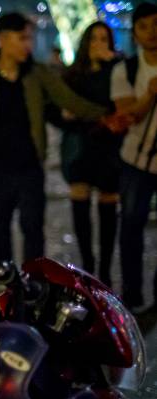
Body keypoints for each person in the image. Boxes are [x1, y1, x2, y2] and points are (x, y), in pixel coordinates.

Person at [0, 12, 112, 265]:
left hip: (31, 168)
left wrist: (107, 115)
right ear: (3, 39)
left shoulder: (37, 74)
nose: (29, 44)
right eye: (23, 38)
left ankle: (33, 287)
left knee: (33, 230)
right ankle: (6, 287)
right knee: (1, 228)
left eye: (30, 38)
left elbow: (69, 100)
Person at [49, 22, 123, 287]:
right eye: (94, 39)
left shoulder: (118, 71)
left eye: (105, 39)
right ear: (85, 43)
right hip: (80, 149)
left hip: (109, 151)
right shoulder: (73, 75)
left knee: (108, 211)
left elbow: (121, 106)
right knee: (80, 208)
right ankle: (88, 268)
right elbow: (55, 111)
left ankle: (104, 271)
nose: (99, 44)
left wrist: (113, 65)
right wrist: (77, 122)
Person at [110, 1, 157, 314]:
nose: (152, 32)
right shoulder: (124, 69)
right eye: (144, 26)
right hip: (136, 162)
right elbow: (127, 116)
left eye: (156, 24)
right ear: (135, 33)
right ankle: (133, 295)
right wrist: (151, 94)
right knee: (130, 229)